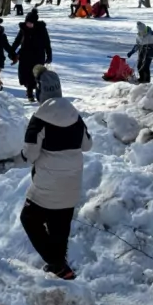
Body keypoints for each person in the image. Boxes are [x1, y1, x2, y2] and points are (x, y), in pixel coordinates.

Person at [19, 81, 92, 281]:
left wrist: (24, 154)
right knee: (59, 226)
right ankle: (61, 270)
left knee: (29, 219)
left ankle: (57, 264)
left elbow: (30, 154)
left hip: (47, 185)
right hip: (72, 183)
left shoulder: (39, 119)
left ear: (40, 93)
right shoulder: (74, 115)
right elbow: (87, 145)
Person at [12, 10, 53, 101]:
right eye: (27, 23)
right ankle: (29, 92)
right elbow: (17, 41)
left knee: (36, 75)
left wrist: (49, 55)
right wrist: (12, 52)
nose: (28, 25)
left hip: (38, 56)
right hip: (25, 55)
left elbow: (47, 43)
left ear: (35, 22)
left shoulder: (41, 29)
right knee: (26, 75)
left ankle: (38, 93)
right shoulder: (23, 29)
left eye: (30, 23)